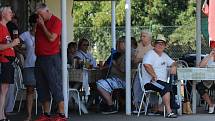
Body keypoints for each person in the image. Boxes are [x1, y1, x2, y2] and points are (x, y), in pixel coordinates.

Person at [34, 3, 66, 121]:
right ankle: (46, 114)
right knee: (41, 86)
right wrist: (38, 25)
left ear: (47, 11)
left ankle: (61, 114)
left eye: (41, 14)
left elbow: (52, 38)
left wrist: (42, 26)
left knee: (55, 85)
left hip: (51, 58)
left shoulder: (56, 21)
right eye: (38, 15)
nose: (39, 17)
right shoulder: (39, 23)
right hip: (39, 58)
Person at [142, 34, 177, 118]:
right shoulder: (150, 54)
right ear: (154, 44)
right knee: (165, 87)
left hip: (161, 82)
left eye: (162, 44)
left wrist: (174, 66)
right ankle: (169, 112)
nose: (160, 45)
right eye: (158, 43)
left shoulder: (164, 55)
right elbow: (146, 65)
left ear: (165, 46)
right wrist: (153, 75)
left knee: (173, 87)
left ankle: (160, 109)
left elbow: (174, 62)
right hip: (151, 82)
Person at [96, 36, 126, 114]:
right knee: (97, 83)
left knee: (100, 84)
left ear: (124, 44)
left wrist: (115, 65)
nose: (118, 45)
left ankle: (110, 105)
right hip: (115, 78)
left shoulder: (126, 55)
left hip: (121, 79)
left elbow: (123, 71)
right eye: (118, 43)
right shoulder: (120, 54)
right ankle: (107, 103)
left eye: (119, 43)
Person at [0, 6, 20, 121]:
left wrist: (13, 46)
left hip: (9, 61)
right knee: (3, 90)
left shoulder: (6, 27)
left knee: (5, 89)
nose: (11, 14)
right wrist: (11, 44)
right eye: (9, 12)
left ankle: (2, 115)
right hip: (4, 61)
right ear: (3, 14)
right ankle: (1, 116)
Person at [19, 13, 38, 121]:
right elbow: (15, 45)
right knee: (30, 90)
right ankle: (29, 115)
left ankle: (46, 114)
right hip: (29, 66)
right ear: (32, 23)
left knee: (44, 89)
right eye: (37, 22)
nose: (39, 23)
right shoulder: (25, 35)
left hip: (41, 65)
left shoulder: (43, 33)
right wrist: (23, 52)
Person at [196, 48, 215, 114]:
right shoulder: (208, 56)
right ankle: (211, 105)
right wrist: (210, 56)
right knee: (199, 86)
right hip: (208, 81)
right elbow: (200, 66)